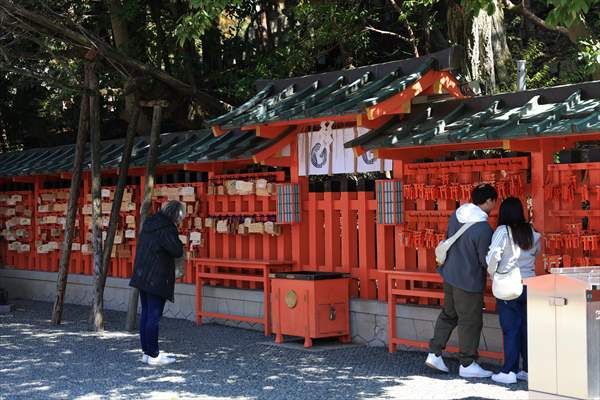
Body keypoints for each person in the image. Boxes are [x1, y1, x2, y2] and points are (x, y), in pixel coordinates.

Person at [426, 183, 498, 378]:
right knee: (470, 321)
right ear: (489, 201)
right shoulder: (483, 229)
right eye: (494, 201)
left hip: (449, 274)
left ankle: (434, 353)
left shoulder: (456, 215)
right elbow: (485, 260)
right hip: (468, 280)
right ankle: (467, 363)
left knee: (449, 314)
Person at [486, 197, 540, 384]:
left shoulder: (502, 231)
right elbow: (536, 252)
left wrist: (494, 273)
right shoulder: (530, 230)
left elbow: (493, 255)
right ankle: (527, 369)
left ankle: (508, 370)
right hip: (529, 284)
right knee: (526, 328)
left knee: (510, 329)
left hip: (510, 283)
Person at [129, 200, 185, 366]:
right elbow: (177, 250)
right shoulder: (167, 229)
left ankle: (147, 352)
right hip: (157, 276)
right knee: (153, 316)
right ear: (177, 215)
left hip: (142, 274)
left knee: (146, 314)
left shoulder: (150, 223)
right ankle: (153, 355)